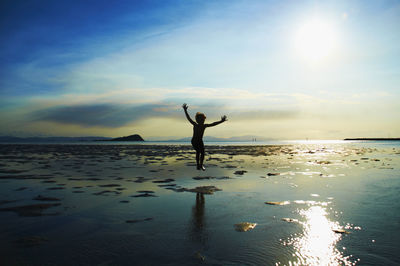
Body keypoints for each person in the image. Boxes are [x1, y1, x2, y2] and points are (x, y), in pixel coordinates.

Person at [182, 103, 227, 170]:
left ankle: (201, 165)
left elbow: (213, 124)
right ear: (197, 120)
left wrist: (221, 121)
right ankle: (198, 165)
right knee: (198, 151)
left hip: (200, 141)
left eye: (203, 120)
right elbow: (189, 118)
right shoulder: (195, 124)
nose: (203, 121)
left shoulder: (204, 126)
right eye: (202, 120)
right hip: (194, 141)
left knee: (203, 153)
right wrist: (185, 110)